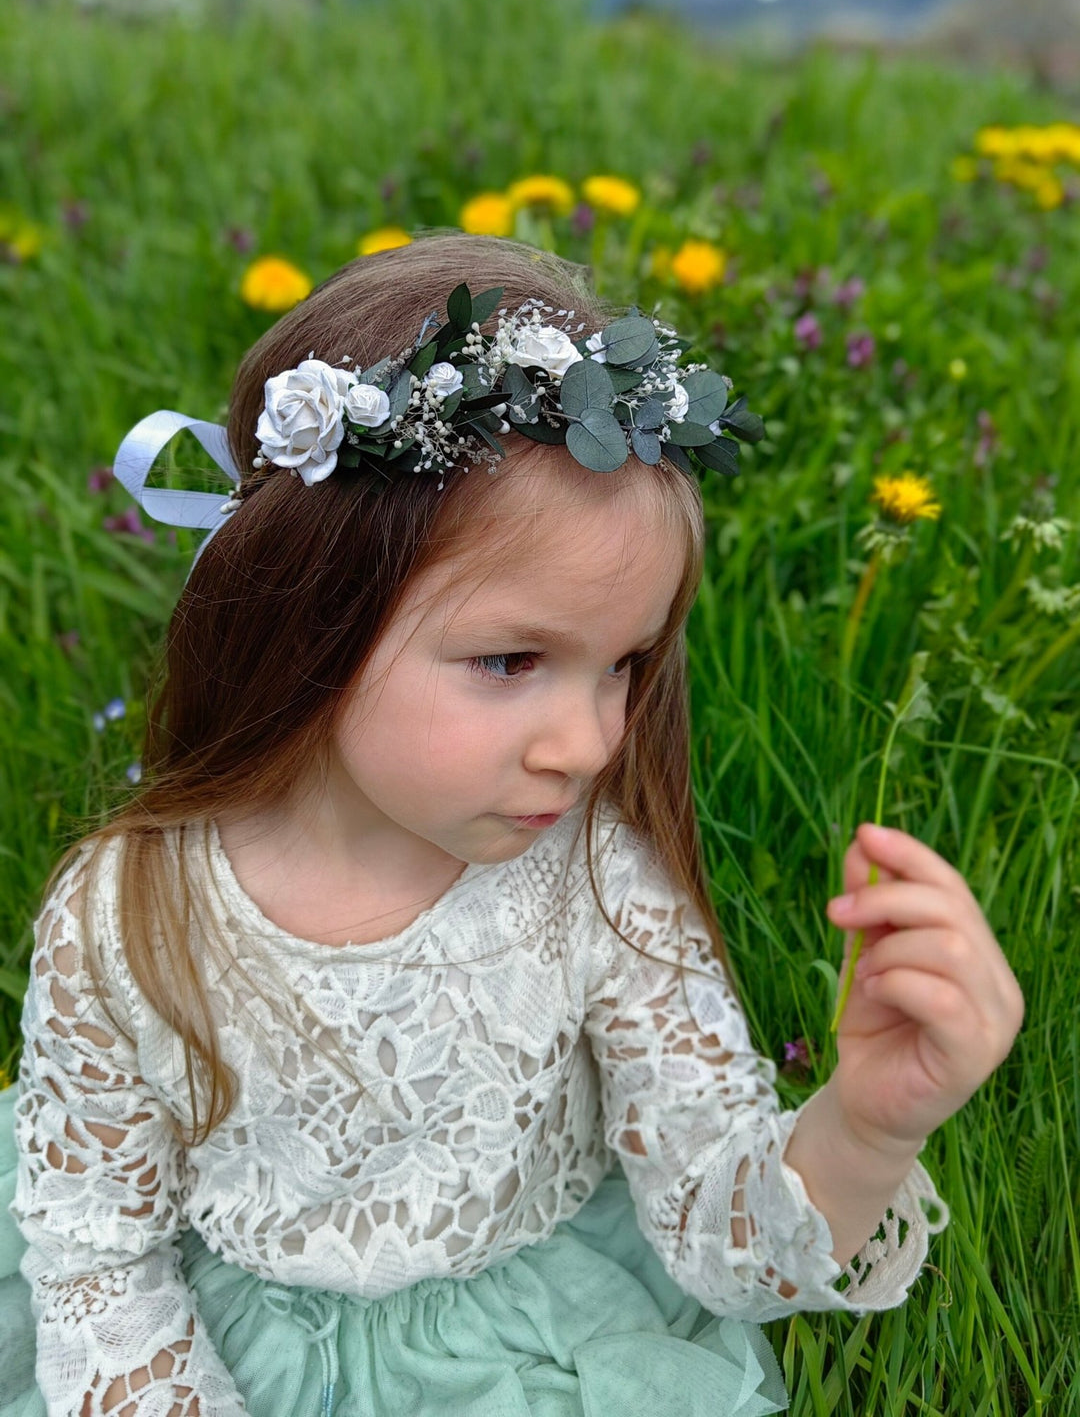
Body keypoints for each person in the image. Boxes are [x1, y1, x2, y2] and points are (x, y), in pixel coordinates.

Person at [0, 232, 1023, 1417]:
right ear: (311, 618)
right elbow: (100, 1262)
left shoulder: (593, 883)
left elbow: (713, 1220)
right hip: (213, 1349)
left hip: (524, 1356)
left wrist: (865, 1129)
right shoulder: (128, 916)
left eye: (622, 667)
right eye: (510, 660)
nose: (590, 744)